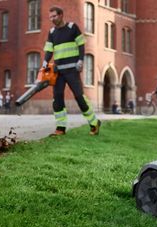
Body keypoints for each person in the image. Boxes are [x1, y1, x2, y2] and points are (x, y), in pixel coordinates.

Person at [43, 6, 101, 136]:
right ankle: (60, 128)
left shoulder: (72, 27)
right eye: (50, 17)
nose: (52, 19)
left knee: (79, 97)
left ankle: (94, 123)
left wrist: (80, 60)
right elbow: (49, 50)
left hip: (72, 70)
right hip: (58, 72)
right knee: (57, 99)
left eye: (54, 16)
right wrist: (45, 62)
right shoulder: (52, 32)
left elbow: (81, 44)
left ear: (61, 15)